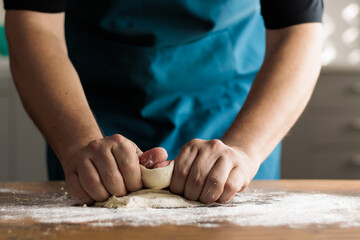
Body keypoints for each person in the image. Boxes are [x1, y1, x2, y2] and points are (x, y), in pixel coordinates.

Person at [4, 0, 323, 204]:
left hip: (232, 109)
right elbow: (34, 22)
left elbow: (297, 30)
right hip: (87, 109)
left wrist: (246, 149)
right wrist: (77, 143)